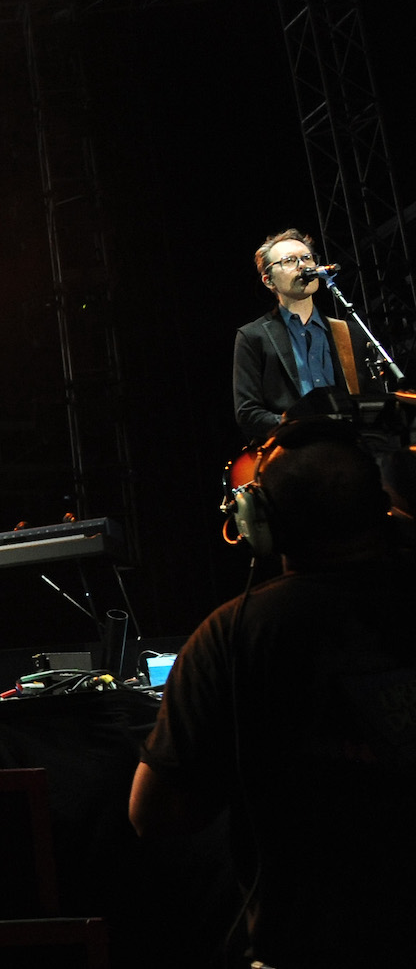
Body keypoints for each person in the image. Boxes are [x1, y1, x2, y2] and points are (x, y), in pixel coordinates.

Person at [129, 419, 415, 966]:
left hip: (307, 946)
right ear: (380, 507)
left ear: (260, 523)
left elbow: (153, 814)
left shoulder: (233, 634)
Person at [232, 229, 362, 444]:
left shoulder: (349, 333)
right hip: (292, 451)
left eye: (307, 258)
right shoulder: (252, 336)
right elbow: (248, 413)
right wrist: (297, 427)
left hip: (346, 450)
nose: (303, 266)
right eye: (289, 261)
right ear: (268, 280)